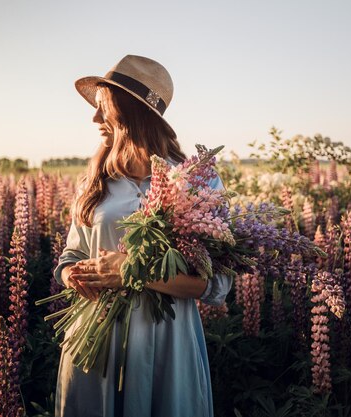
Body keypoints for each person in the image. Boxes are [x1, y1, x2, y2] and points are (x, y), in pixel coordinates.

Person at [53, 55, 233, 417]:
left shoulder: (196, 182)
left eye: (104, 108)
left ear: (132, 114)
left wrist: (132, 272)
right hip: (95, 339)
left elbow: (216, 286)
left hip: (167, 340)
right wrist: (71, 275)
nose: (95, 119)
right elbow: (68, 259)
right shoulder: (95, 181)